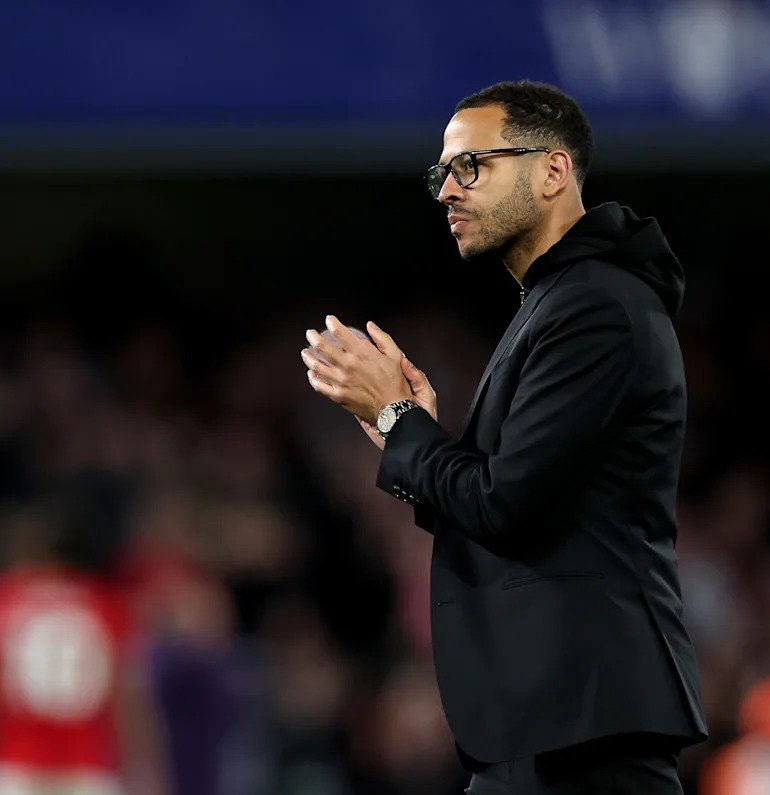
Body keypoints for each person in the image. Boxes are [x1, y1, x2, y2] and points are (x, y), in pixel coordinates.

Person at [301, 79, 708, 794]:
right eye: (440, 173)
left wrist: (400, 419)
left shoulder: (596, 305)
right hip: (555, 723)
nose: (446, 192)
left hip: (584, 726)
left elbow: (505, 505)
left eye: (470, 166)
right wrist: (408, 431)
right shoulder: (562, 300)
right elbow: (520, 502)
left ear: (553, 170)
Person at [0, 496, 169, 795]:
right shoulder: (109, 608)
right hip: (86, 773)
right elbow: (130, 702)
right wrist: (148, 769)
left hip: (12, 771)